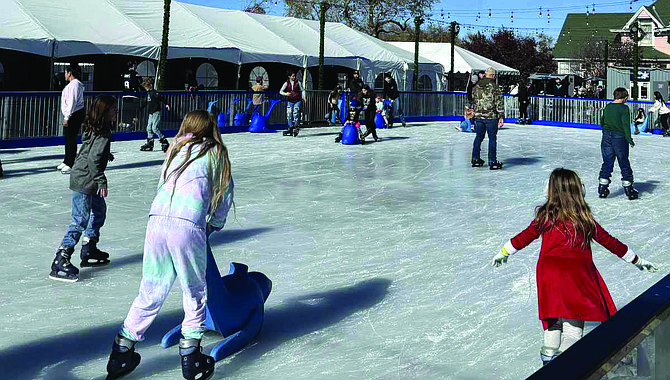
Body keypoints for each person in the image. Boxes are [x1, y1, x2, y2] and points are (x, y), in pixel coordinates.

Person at [105, 110, 234, 380]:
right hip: (186, 224)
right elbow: (225, 192)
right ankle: (191, 356)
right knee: (194, 291)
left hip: (156, 222)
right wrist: (215, 224)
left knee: (150, 290)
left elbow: (161, 184)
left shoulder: (175, 148)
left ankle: (121, 352)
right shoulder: (216, 152)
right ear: (211, 129)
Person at [491, 168, 657, 366]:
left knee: (552, 323)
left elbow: (524, 236)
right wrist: (636, 260)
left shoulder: (545, 215)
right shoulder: (585, 219)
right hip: (576, 276)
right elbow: (611, 242)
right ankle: (565, 368)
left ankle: (549, 365)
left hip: (548, 275)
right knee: (572, 327)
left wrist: (504, 251)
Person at [49, 95, 117, 282]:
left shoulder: (96, 128)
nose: (116, 112)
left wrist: (106, 154)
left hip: (85, 176)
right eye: (113, 109)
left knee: (99, 210)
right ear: (103, 112)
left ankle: (89, 247)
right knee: (80, 220)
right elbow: (93, 159)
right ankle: (61, 257)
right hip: (85, 179)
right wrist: (101, 181)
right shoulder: (102, 133)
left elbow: (89, 150)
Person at [598, 87, 638, 200]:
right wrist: (629, 139)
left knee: (607, 162)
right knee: (623, 162)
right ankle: (629, 189)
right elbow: (625, 125)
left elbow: (602, 121)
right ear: (624, 98)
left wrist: (605, 132)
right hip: (619, 137)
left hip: (606, 136)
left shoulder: (608, 107)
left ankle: (602, 188)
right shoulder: (624, 108)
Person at [471, 67, 504, 170]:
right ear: (493, 75)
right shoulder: (494, 87)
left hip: (478, 116)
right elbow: (499, 102)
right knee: (492, 139)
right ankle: (492, 161)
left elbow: (473, 98)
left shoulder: (476, 86)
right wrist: (501, 115)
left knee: (478, 137)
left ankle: (475, 159)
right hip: (491, 117)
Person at [58, 64, 85, 175]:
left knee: (71, 138)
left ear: (70, 73)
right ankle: (66, 160)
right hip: (71, 114)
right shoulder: (72, 84)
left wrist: (67, 117)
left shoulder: (75, 84)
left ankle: (71, 162)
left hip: (74, 114)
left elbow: (72, 101)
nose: (65, 75)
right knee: (67, 137)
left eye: (66, 72)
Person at [139, 78, 170, 152]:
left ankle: (164, 141)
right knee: (148, 128)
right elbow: (146, 102)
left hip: (156, 112)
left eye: (145, 87)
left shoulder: (154, 92)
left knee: (155, 128)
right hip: (151, 113)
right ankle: (150, 142)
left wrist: (166, 104)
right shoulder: (148, 94)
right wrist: (140, 108)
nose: (145, 88)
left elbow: (161, 98)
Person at [279, 70, 306, 137]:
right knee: (289, 113)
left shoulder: (298, 82)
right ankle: (290, 126)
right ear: (289, 76)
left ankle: (296, 126)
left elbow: (302, 90)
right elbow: (281, 91)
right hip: (290, 100)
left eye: (294, 76)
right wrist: (286, 94)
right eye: (293, 76)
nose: (294, 77)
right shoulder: (286, 83)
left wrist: (304, 97)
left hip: (297, 100)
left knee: (295, 112)